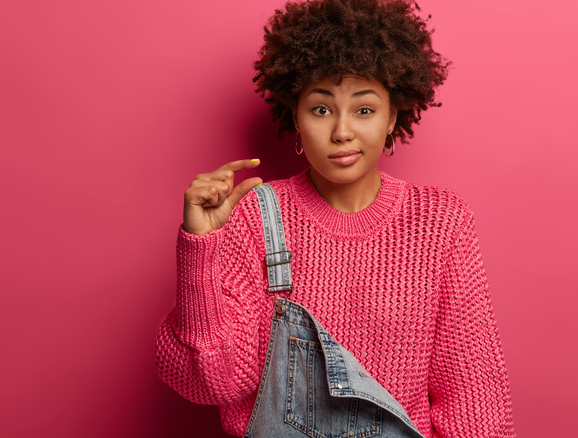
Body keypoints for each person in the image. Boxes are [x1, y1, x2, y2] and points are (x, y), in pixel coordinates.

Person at [155, 0, 516, 436]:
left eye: (364, 109)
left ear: (392, 118)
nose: (342, 130)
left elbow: (475, 395)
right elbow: (211, 382)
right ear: (296, 118)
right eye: (322, 109)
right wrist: (200, 252)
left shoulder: (440, 221)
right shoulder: (257, 216)